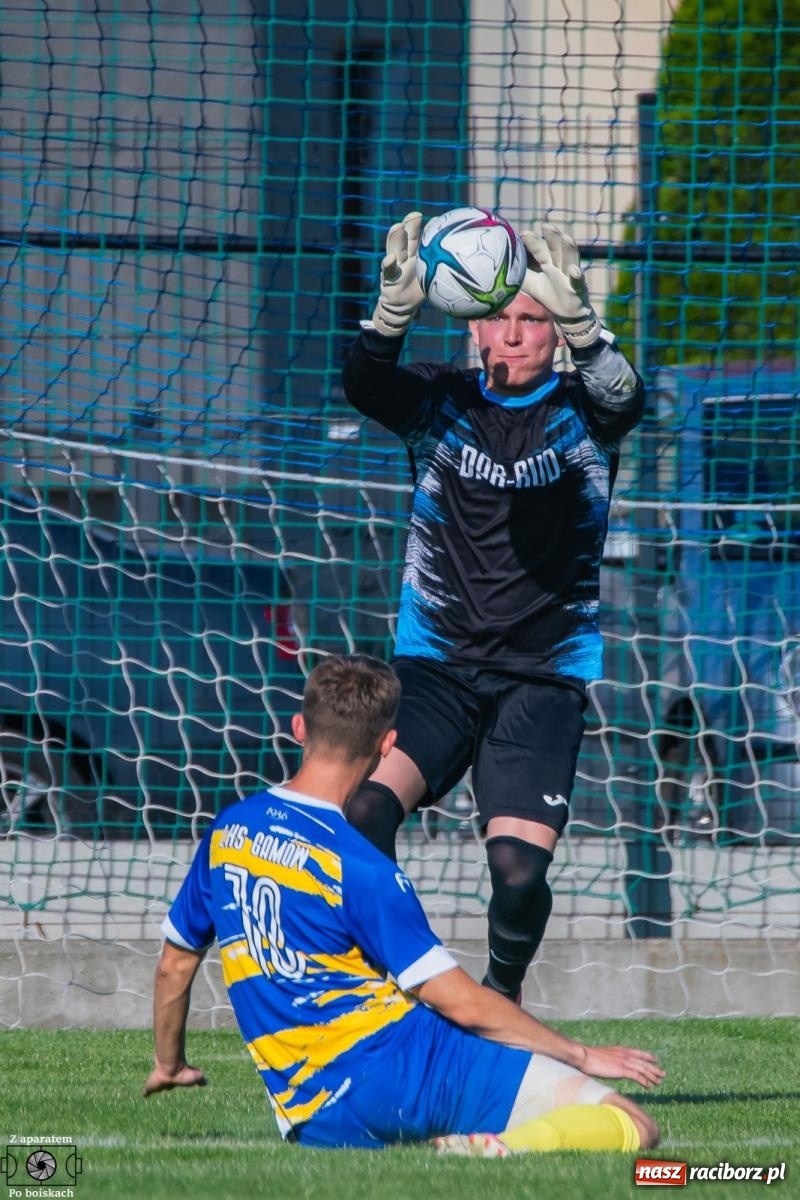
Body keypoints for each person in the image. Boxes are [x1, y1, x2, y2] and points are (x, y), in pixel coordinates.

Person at [144, 654, 663, 1153]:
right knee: (631, 1123)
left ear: (299, 728)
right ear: (389, 744)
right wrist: (582, 1053)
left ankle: (463, 1142)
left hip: (316, 1117)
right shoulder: (357, 863)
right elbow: (456, 1001)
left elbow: (175, 965)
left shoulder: (227, 833)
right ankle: (491, 1151)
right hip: (409, 1070)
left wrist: (170, 1065)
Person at [341, 216, 645, 1001]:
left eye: (534, 322)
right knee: (366, 812)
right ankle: (388, 983)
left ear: (553, 333)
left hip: (541, 679)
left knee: (516, 875)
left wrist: (585, 324)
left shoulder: (584, 409)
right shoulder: (438, 401)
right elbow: (366, 385)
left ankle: (499, 996)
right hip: (437, 667)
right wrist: (389, 319)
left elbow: (626, 398)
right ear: (476, 325)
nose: (514, 337)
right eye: (501, 320)